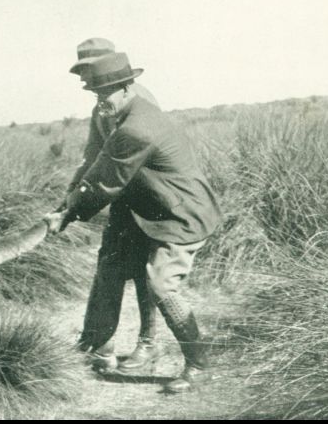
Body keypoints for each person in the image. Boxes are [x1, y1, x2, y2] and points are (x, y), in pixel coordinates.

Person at [58, 51, 223, 393]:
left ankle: (199, 364)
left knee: (161, 283)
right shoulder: (125, 115)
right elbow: (98, 164)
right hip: (157, 211)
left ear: (125, 88)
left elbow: (107, 182)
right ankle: (102, 348)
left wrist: (68, 213)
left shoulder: (137, 126)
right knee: (121, 269)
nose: (100, 100)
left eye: (105, 93)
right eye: (95, 93)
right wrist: (68, 202)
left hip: (182, 214)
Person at [64, 38, 162, 373]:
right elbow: (93, 155)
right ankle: (99, 344)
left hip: (149, 199)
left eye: (88, 69)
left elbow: (133, 159)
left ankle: (149, 344)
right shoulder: (101, 107)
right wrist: (71, 194)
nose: (84, 77)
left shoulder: (138, 101)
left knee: (147, 273)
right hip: (121, 198)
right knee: (109, 266)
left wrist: (84, 200)